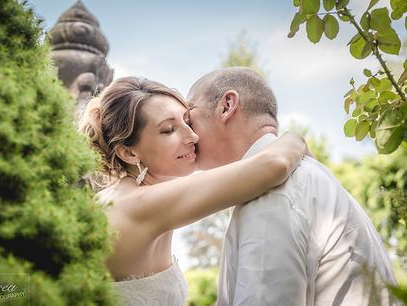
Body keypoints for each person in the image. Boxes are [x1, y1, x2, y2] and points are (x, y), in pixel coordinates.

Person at [78, 76, 308, 306]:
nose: (192, 136)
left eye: (188, 122)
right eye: (168, 130)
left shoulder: (123, 196)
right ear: (129, 153)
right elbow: (274, 164)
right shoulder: (138, 205)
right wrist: (296, 139)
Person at [186, 67, 398, 306]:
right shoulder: (304, 178)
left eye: (190, 110)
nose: (185, 126)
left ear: (227, 106)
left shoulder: (271, 195)